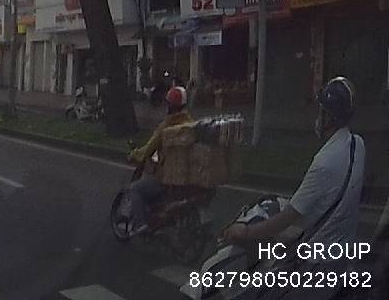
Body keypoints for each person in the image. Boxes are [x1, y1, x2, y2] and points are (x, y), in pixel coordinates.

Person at [223, 78, 365, 261]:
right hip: (344, 249)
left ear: (329, 117)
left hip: (317, 258)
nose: (317, 117)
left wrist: (246, 232)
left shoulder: (324, 162)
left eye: (320, 111)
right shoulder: (358, 145)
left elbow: (286, 218)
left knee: (264, 265)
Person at [122, 86, 194, 237]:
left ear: (170, 105)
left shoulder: (166, 127)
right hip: (188, 178)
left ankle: (141, 225)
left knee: (134, 189)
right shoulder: (190, 124)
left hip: (168, 178)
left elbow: (148, 149)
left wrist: (134, 155)